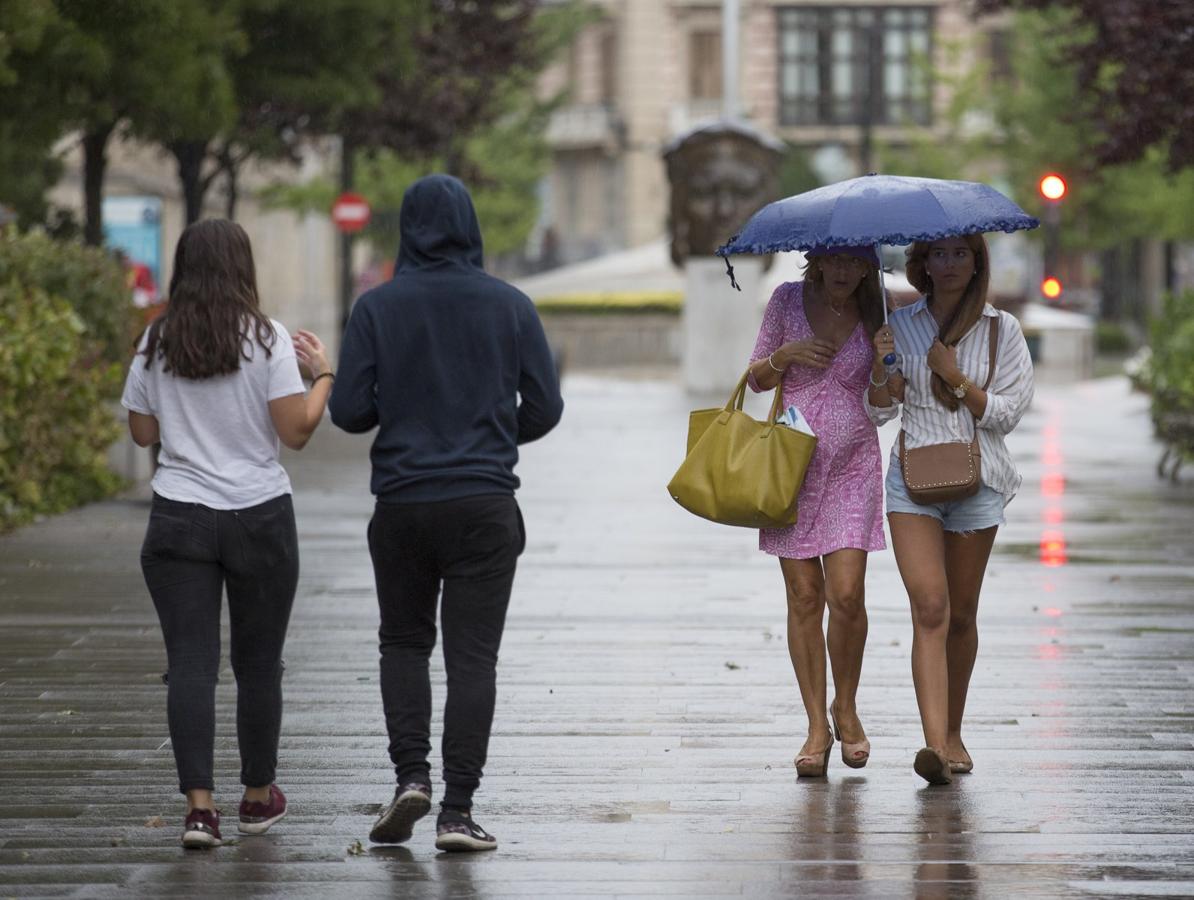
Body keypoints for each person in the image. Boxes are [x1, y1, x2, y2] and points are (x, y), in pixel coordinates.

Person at [329, 174, 563, 852]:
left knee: (403, 642)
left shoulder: (377, 308)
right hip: (484, 506)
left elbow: (347, 411)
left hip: (402, 504)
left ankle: (411, 777)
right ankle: (458, 812)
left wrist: (404, 415)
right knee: (472, 659)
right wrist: (487, 436)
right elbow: (545, 408)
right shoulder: (511, 306)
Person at [120, 219, 333, 847]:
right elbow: (295, 431)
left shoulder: (156, 338)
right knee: (258, 663)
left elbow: (140, 434)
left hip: (179, 513)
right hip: (259, 513)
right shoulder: (267, 338)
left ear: (185, 267)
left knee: (190, 664)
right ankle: (259, 797)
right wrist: (321, 376)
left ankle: (199, 811)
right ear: (243, 267)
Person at [866, 233, 1033, 785]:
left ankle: (954, 730)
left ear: (977, 261)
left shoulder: (999, 330)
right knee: (930, 607)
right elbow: (880, 411)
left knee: (962, 614)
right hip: (912, 480)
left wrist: (955, 377)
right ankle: (934, 744)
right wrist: (882, 374)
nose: (950, 263)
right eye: (939, 254)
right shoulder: (900, 325)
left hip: (979, 479)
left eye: (961, 253)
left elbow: (1007, 414)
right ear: (923, 265)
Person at [746, 244, 887, 778]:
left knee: (846, 594)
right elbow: (756, 378)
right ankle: (815, 727)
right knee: (805, 596)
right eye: (837, 260)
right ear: (818, 259)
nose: (846, 272)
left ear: (868, 266)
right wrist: (785, 356)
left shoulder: (879, 311)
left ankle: (845, 707)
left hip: (852, 464)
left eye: (857, 262)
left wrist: (884, 359)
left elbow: (886, 399)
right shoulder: (786, 302)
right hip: (791, 465)